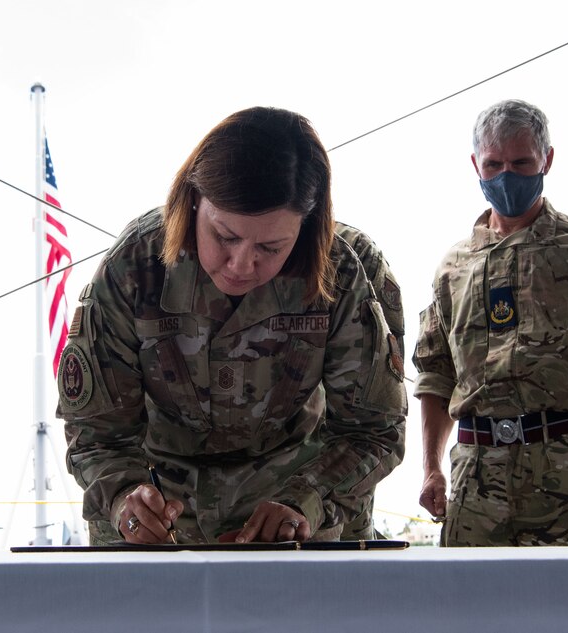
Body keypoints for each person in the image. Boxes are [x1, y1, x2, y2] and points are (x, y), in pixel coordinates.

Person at [58, 107, 407, 544]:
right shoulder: (135, 266)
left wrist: (307, 502)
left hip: (297, 514)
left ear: (307, 229)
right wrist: (126, 498)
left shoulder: (344, 271)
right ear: (192, 203)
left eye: (271, 246)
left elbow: (374, 429)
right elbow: (95, 433)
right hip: (157, 520)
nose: (242, 264)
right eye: (224, 236)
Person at [413, 99, 568, 547]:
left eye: (522, 162)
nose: (507, 175)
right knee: (467, 611)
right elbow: (435, 374)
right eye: (494, 164)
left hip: (565, 470)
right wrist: (431, 468)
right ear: (476, 165)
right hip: (475, 477)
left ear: (547, 158)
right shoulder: (453, 267)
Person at [334, 222, 404, 539]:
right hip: (194, 509)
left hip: (333, 485)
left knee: (343, 584)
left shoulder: (355, 253)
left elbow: (385, 391)